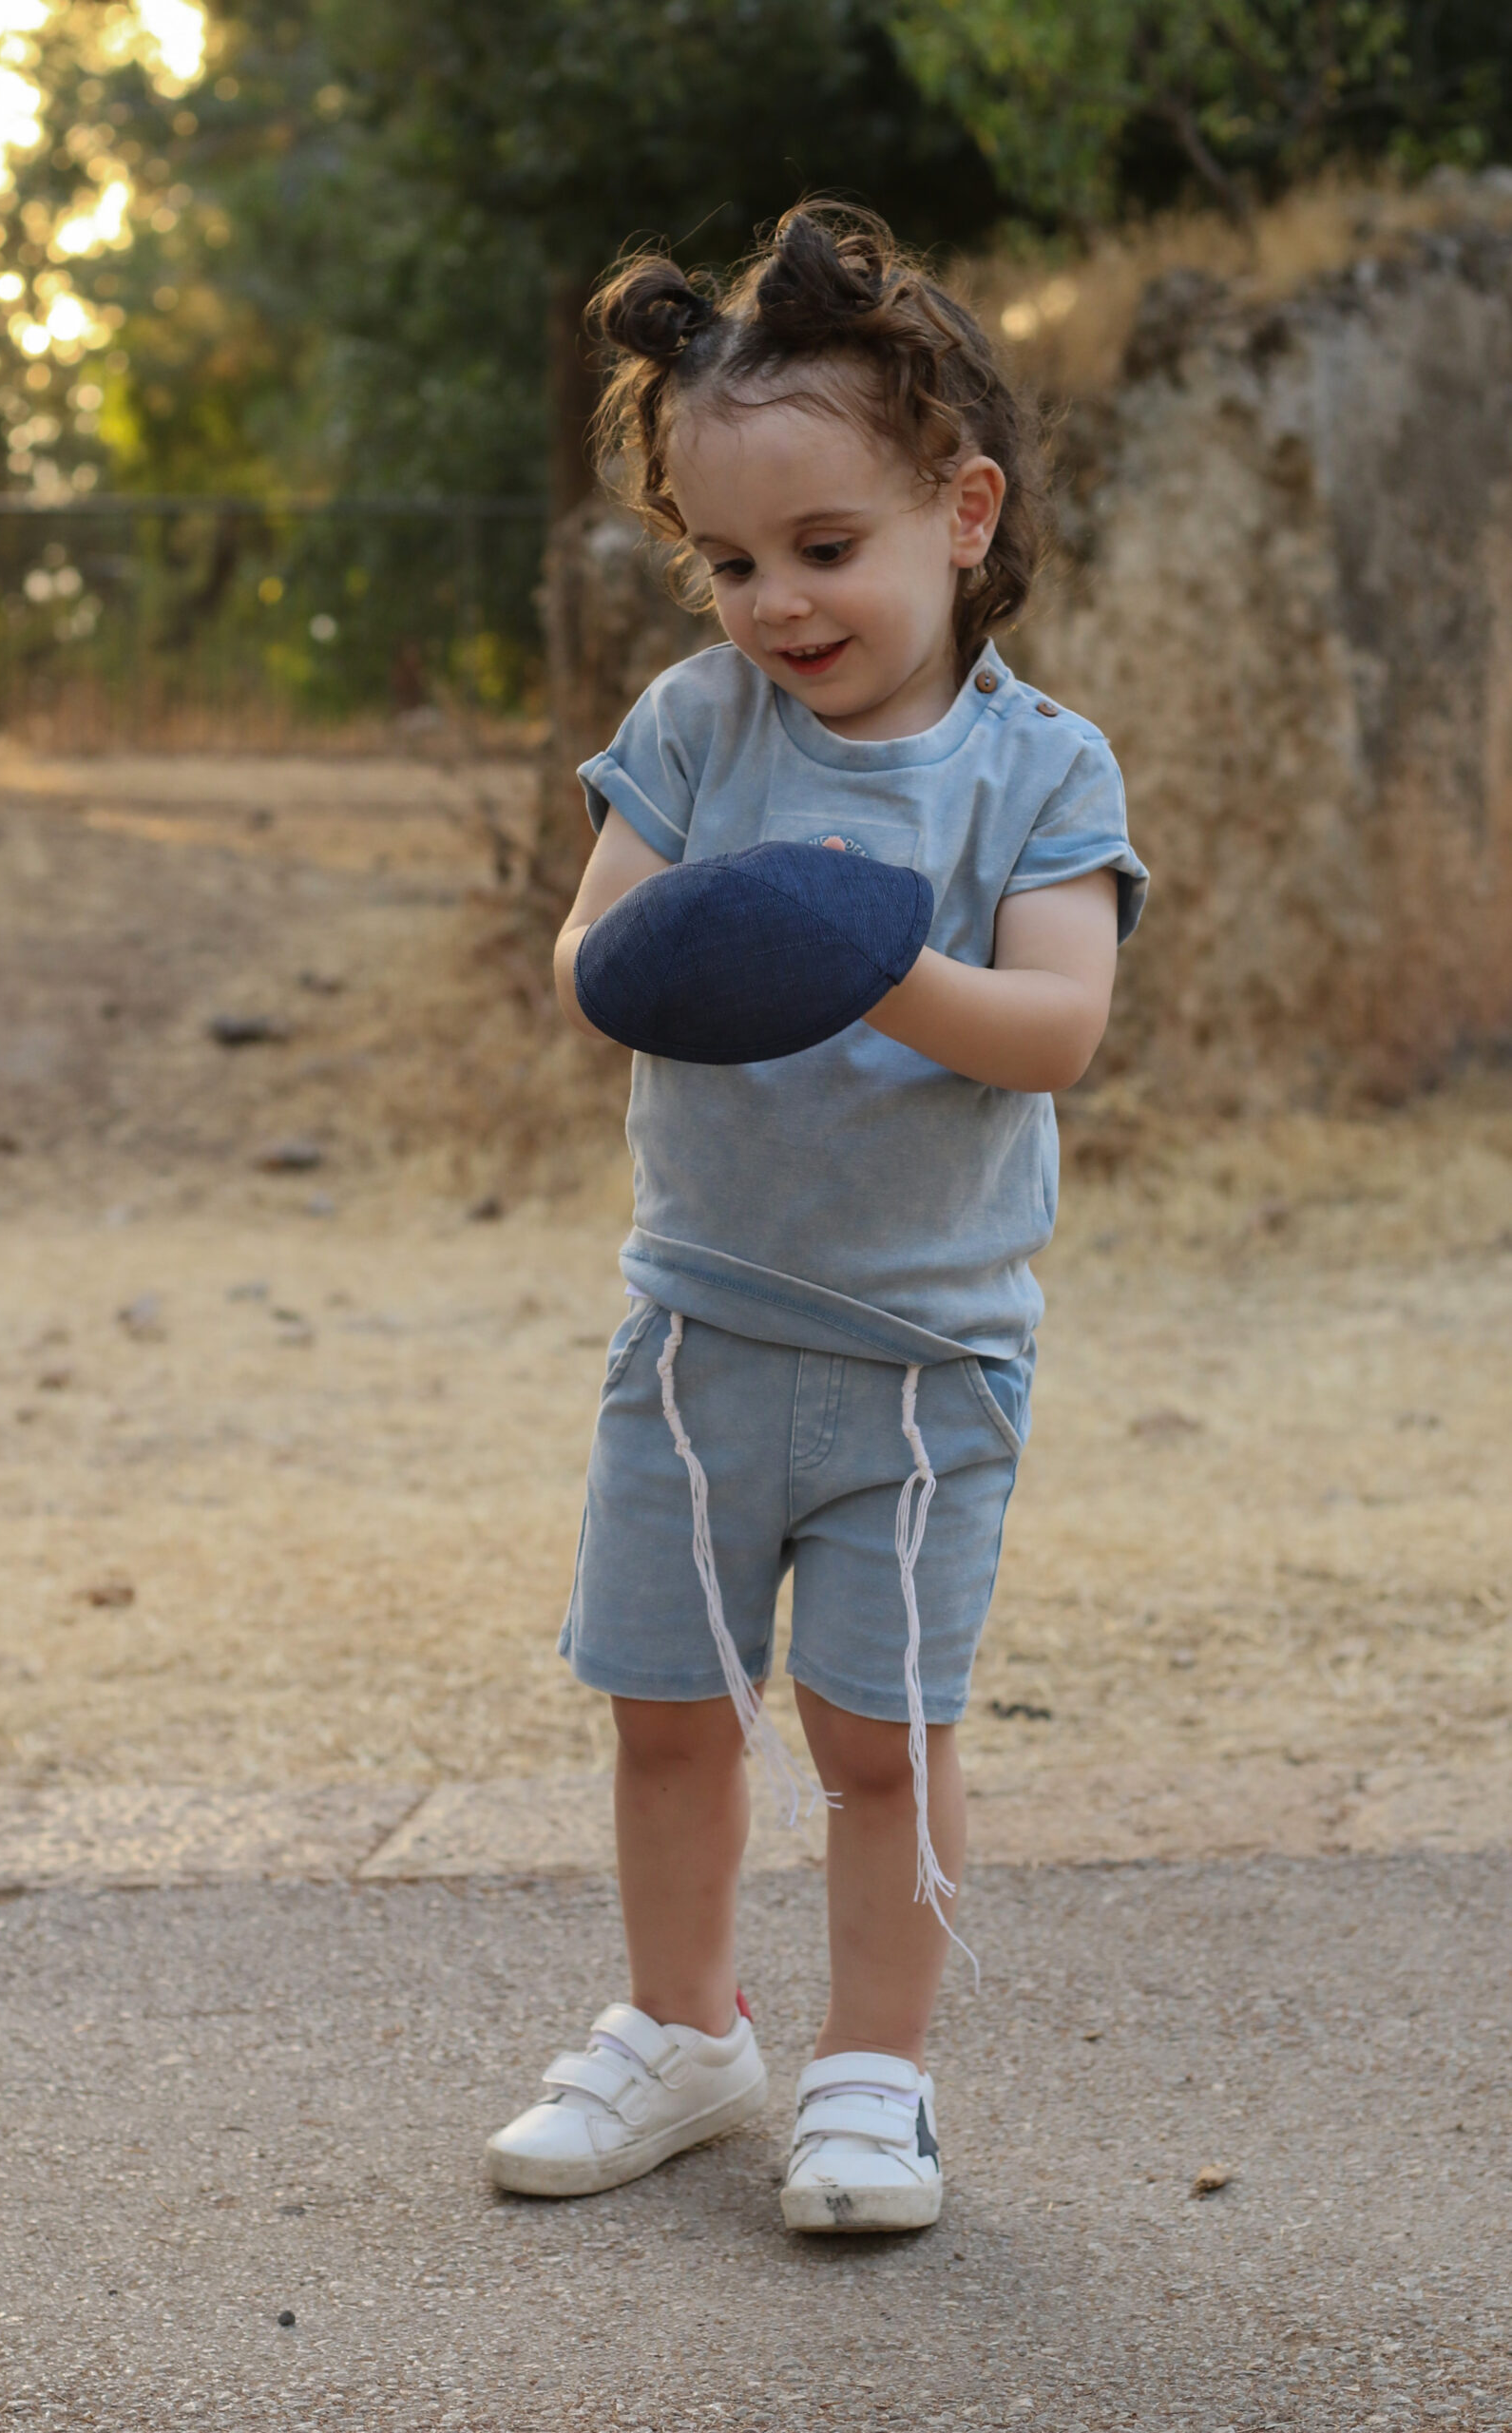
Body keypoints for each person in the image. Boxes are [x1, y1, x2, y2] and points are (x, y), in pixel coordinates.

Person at [486, 202, 1147, 2233]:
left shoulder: (1040, 770)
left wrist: (871, 962)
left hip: (926, 1359)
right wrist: (691, 947)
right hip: (696, 1329)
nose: (774, 600)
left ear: (964, 510)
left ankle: (874, 2078)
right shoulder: (696, 727)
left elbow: (1055, 1026)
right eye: (729, 559)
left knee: (879, 1735)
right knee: (669, 1714)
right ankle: (686, 2034)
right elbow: (591, 958)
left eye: (825, 546)